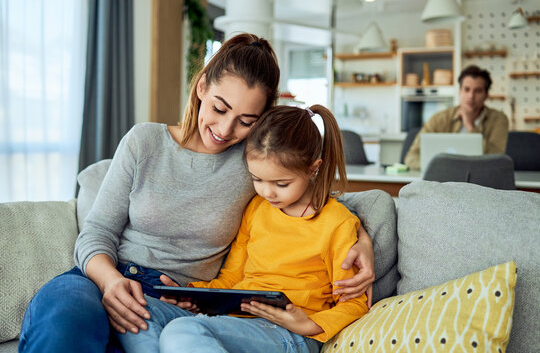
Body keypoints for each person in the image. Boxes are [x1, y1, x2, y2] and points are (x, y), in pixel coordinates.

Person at [18, 33, 374, 353]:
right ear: (202, 86)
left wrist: (361, 239)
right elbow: (97, 232)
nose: (224, 129)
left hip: (180, 299)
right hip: (102, 276)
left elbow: (309, 199)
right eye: (219, 108)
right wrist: (111, 282)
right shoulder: (145, 141)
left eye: (246, 121)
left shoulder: (253, 164)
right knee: (62, 326)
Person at [115, 104, 369, 353]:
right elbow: (232, 278)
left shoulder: (338, 223)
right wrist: (191, 295)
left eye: (281, 183)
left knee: (182, 330)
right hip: (238, 319)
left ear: (313, 168)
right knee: (137, 309)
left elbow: (356, 303)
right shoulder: (257, 208)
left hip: (292, 333)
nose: (267, 192)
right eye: (257, 179)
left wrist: (309, 324)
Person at [404, 65, 509, 170]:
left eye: (478, 91)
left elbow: (497, 160)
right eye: (466, 89)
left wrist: (470, 125)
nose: (471, 96)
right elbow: (411, 157)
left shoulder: (499, 120)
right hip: (443, 179)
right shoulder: (439, 119)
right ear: (460, 91)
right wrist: (440, 167)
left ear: (486, 95)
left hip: (481, 181)